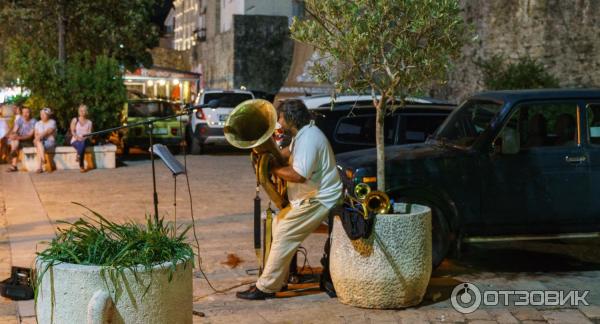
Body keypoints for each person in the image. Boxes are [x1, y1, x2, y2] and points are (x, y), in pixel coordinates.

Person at [236, 99, 343, 300]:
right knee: (278, 224)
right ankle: (279, 279)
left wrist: (272, 168)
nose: (279, 123)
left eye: (281, 118)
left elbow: (298, 175)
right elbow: (287, 154)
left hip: (321, 199)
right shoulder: (301, 135)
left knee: (284, 231)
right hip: (310, 197)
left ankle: (265, 287)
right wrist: (266, 154)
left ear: (291, 119)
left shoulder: (310, 138)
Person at [6, 107, 36, 172]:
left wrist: (18, 137)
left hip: (29, 141)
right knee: (14, 139)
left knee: (16, 140)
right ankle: (13, 151)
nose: (25, 114)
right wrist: (13, 135)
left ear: (30, 113)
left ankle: (13, 165)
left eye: (27, 112)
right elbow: (15, 129)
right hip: (19, 139)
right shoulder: (20, 119)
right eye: (23, 112)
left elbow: (30, 136)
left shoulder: (33, 121)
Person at [70, 104, 93, 172]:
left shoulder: (89, 122)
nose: (82, 112)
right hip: (75, 140)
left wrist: (85, 138)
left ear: (86, 112)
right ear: (78, 111)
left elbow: (90, 134)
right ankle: (81, 166)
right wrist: (77, 137)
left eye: (84, 111)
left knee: (82, 143)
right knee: (81, 145)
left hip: (86, 139)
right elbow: (72, 131)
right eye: (81, 111)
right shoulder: (75, 120)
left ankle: (78, 156)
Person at [33, 108, 57, 173]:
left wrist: (38, 138)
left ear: (48, 115)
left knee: (38, 145)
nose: (42, 116)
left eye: (44, 114)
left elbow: (48, 131)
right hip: (40, 141)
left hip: (50, 142)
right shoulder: (37, 123)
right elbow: (36, 134)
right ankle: (43, 159)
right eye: (41, 114)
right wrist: (37, 138)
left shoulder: (52, 122)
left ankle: (39, 167)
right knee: (39, 143)